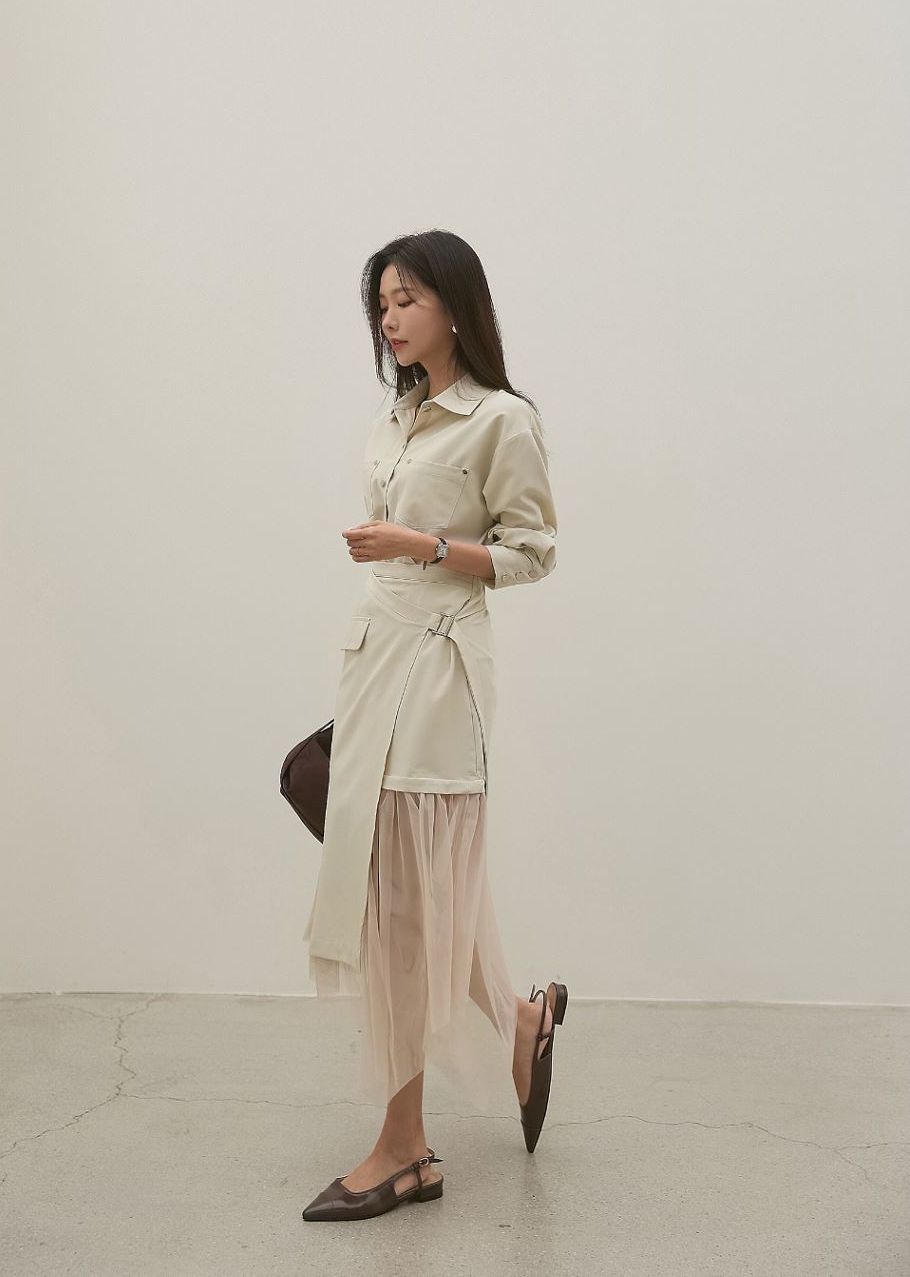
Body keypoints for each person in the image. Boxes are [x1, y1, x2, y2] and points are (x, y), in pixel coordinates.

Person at [301, 229, 568, 1221]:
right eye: (381, 304)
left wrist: (423, 544)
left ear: (455, 306)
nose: (390, 318)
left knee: (406, 907)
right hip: (377, 662)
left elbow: (534, 550)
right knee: (414, 890)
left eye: (406, 299)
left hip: (442, 673)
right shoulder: (396, 417)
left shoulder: (500, 419)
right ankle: (520, 1019)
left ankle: (404, 1147)